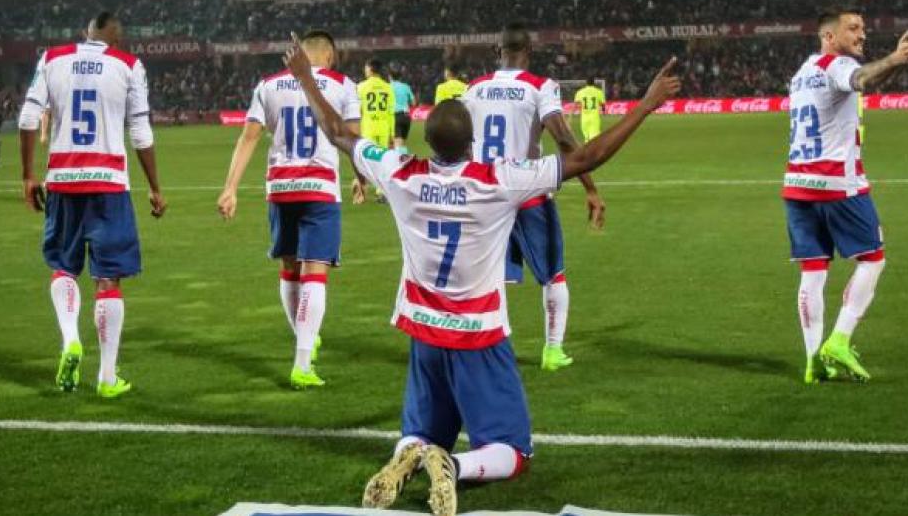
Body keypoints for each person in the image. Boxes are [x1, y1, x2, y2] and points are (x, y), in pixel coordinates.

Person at [283, 35, 680, 516]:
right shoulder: (499, 181)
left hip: (423, 330)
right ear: (472, 141)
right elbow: (586, 156)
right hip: (478, 335)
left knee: (420, 430)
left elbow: (337, 131)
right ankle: (452, 466)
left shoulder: (399, 172)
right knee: (515, 451)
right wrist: (647, 104)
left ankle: (409, 456)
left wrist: (305, 76)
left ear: (426, 141)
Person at [17, 12, 167, 399]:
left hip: (63, 181)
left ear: (87, 32)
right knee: (109, 278)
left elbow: (28, 117)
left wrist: (28, 176)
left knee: (63, 267)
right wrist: (154, 186)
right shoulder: (129, 64)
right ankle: (106, 376)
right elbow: (140, 130)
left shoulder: (52, 58)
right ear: (114, 35)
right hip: (109, 183)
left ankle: (70, 339)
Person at [216, 30, 365, 389]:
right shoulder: (343, 85)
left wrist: (230, 188)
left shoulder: (268, 85)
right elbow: (352, 135)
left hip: (281, 186)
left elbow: (248, 137)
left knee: (289, 267)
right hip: (320, 185)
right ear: (329, 56)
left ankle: (305, 339)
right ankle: (302, 361)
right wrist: (362, 176)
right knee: (315, 272)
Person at [785, 9, 908, 384]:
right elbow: (860, 77)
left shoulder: (802, 73)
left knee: (813, 273)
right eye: (853, 28)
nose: (863, 34)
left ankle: (814, 360)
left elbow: (862, 84)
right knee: (873, 260)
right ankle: (840, 340)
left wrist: (895, 64)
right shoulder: (837, 64)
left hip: (798, 185)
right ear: (829, 37)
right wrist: (895, 58)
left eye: (864, 27)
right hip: (837, 184)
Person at [462, 23, 606, 371]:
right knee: (553, 274)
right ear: (528, 53)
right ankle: (552, 351)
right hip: (528, 192)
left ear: (498, 52)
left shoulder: (474, 88)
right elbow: (564, 139)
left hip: (483, 192)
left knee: (486, 277)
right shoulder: (541, 87)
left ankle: (487, 348)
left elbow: (462, 142)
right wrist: (590, 187)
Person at [357, 60, 396, 200]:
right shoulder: (388, 87)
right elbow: (391, 111)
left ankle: (362, 189)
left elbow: (359, 109)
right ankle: (381, 191)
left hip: (368, 125)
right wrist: (392, 133)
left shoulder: (361, 86)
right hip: (384, 125)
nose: (365, 70)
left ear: (371, 70)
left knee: (365, 159)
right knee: (383, 158)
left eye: (366, 68)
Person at [390, 67, 416, 155]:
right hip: (406, 117)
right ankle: (404, 161)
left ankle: (401, 163)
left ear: (390, 77)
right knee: (402, 143)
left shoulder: (388, 87)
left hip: (395, 116)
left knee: (396, 143)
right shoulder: (406, 87)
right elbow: (414, 102)